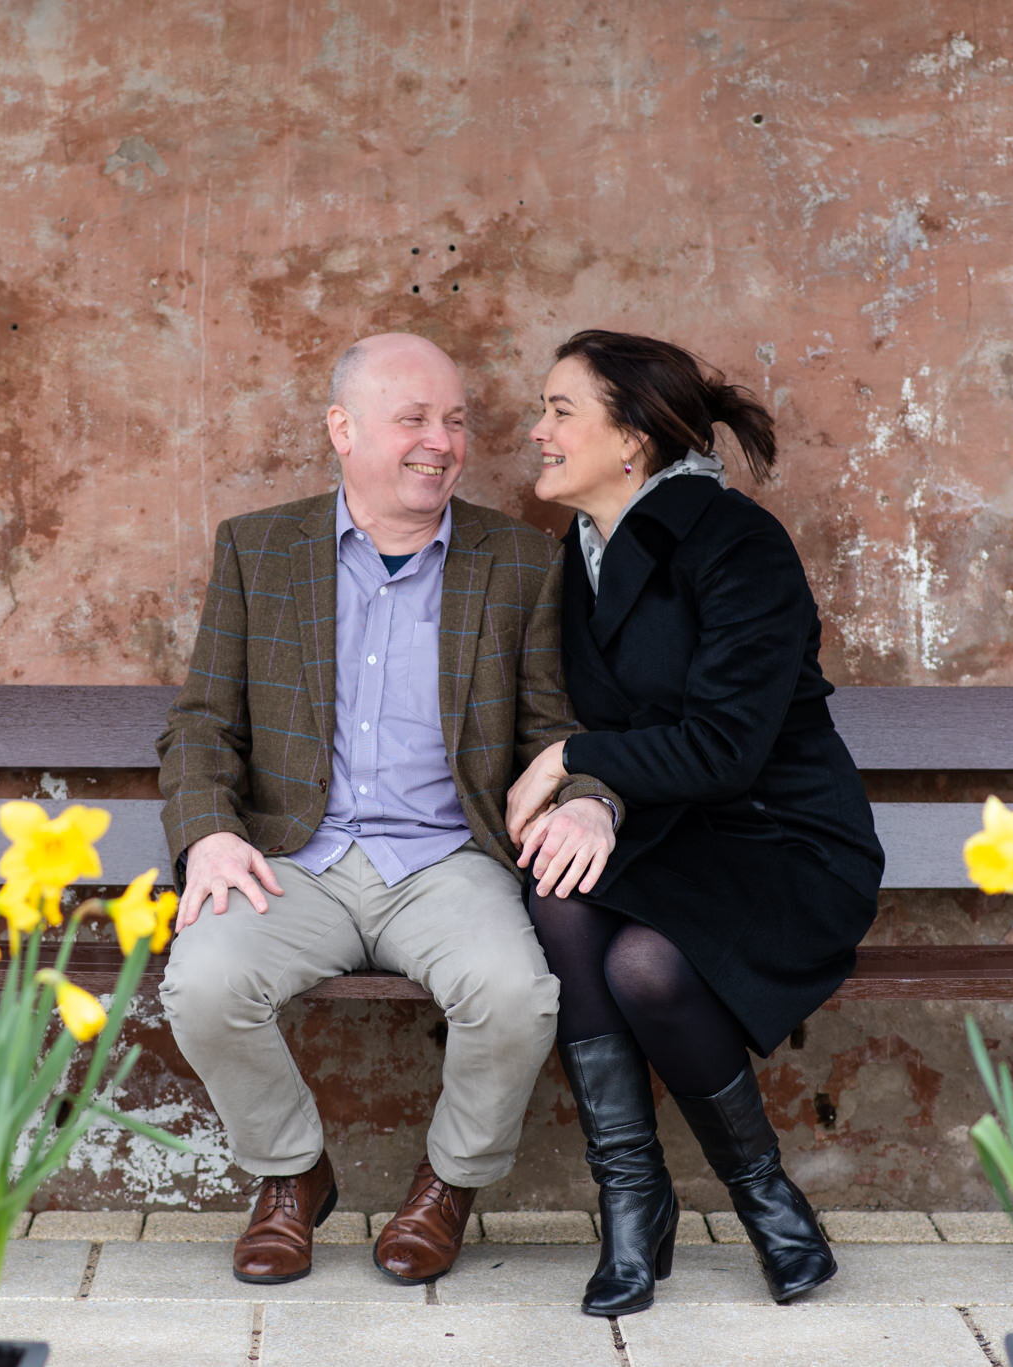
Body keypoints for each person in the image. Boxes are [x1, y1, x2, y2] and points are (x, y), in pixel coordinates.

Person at [156, 332, 621, 1288]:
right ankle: (292, 1175)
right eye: (413, 418)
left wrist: (591, 799)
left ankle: (449, 1183)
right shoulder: (261, 549)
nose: (440, 442)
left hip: (450, 861)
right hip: (295, 856)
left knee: (516, 994)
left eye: (454, 421)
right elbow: (202, 722)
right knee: (201, 985)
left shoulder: (519, 561)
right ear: (344, 429)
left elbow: (555, 730)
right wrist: (207, 833)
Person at [505, 330, 883, 1316]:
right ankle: (632, 1199)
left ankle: (766, 1198)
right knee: (559, 895)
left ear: (629, 440)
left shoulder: (733, 541)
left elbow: (722, 747)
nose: (535, 431)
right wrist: (589, 796)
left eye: (558, 410)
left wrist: (572, 762)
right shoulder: (580, 554)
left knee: (646, 962)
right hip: (677, 833)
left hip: (784, 840)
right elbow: (621, 726)